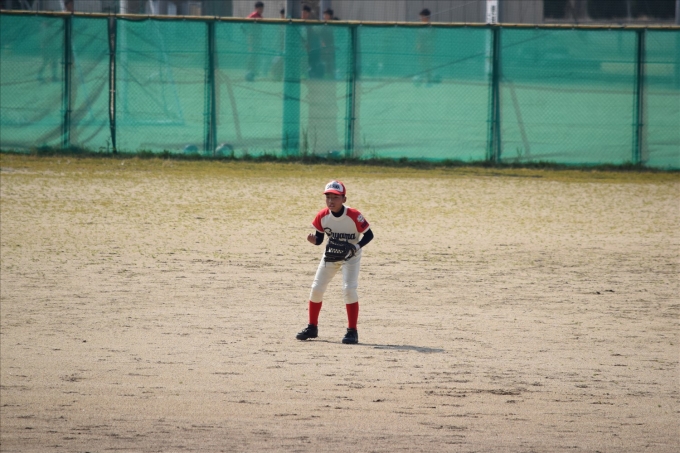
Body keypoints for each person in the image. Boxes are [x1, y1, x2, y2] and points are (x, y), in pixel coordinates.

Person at [296, 181, 374, 345]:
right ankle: (312, 327)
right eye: (328, 197)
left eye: (336, 197)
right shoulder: (322, 216)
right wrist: (314, 240)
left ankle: (352, 331)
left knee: (349, 289)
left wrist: (356, 247)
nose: (331, 201)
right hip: (330, 255)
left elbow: (369, 235)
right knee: (316, 288)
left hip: (351, 256)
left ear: (344, 199)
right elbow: (319, 240)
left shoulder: (354, 215)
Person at [245, 2, 264, 81]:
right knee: (252, 55)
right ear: (256, 8)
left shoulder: (261, 17)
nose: (261, 10)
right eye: (260, 8)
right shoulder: (253, 15)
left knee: (256, 55)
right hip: (252, 38)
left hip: (258, 38)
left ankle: (253, 71)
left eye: (262, 9)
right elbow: (245, 22)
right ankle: (248, 71)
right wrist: (248, 33)